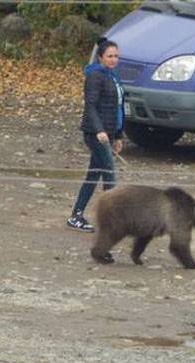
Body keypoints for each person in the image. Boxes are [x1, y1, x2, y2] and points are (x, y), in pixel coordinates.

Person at [67, 37, 125, 232]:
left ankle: (76, 216)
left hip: (108, 132)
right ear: (100, 57)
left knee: (94, 175)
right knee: (109, 174)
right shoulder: (95, 76)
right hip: (95, 133)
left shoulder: (112, 77)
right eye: (109, 56)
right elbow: (90, 106)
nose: (113, 59)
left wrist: (118, 136)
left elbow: (117, 109)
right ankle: (111, 221)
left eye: (116, 56)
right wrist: (99, 130)